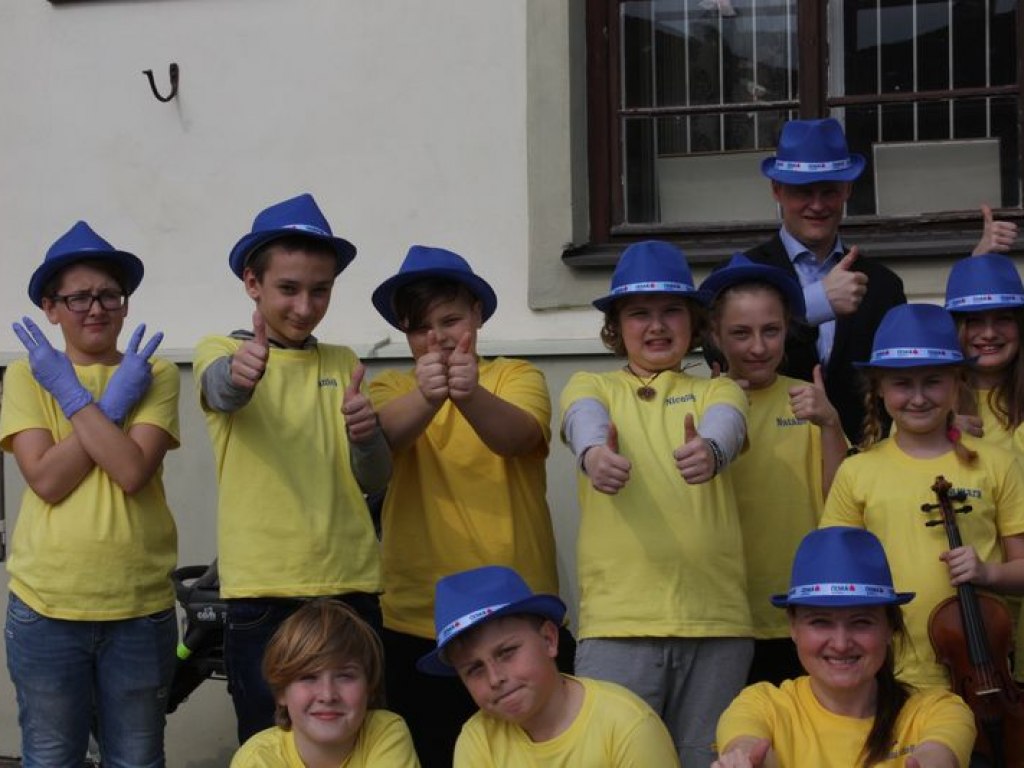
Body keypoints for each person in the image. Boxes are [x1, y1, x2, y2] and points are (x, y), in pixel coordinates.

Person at [195, 193, 390, 743]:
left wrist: (367, 436)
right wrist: (241, 371)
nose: (305, 306)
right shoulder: (219, 349)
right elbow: (220, 390)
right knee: (270, 741)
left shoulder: (344, 362)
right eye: (288, 288)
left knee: (360, 742)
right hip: (263, 593)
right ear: (252, 283)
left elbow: (375, 478)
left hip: (352, 585)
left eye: (320, 290)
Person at [368, 245, 561, 768]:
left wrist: (467, 394)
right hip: (418, 619)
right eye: (419, 329)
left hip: (517, 611)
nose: (437, 339)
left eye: (450, 320)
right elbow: (376, 447)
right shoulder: (390, 386)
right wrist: (429, 397)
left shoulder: (515, 376)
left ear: (477, 313)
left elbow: (518, 438)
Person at [560, 239, 750, 768]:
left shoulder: (719, 390)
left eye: (671, 310)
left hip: (716, 623)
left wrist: (710, 450)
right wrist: (594, 454)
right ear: (616, 327)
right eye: (639, 313)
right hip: (618, 624)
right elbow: (581, 417)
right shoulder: (591, 383)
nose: (657, 326)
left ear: (694, 322)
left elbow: (727, 425)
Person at [1, 220, 179, 767]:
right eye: (78, 298)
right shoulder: (29, 376)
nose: (96, 308)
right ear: (51, 309)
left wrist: (77, 401)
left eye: (109, 295)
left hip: (139, 606)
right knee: (51, 756)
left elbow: (130, 470)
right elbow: (47, 480)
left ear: (124, 305)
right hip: (46, 604)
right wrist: (97, 402)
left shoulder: (156, 372)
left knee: (137, 758)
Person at [820, 303, 1024, 691]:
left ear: (958, 382)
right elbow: (840, 578)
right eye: (902, 384)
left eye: (932, 381)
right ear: (879, 387)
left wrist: (988, 573)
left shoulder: (997, 464)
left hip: (984, 672)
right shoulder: (857, 470)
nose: (917, 398)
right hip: (889, 672)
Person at [701, 253, 848, 685]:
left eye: (771, 330)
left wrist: (831, 424)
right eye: (740, 333)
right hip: (724, 611)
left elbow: (841, 499)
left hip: (799, 604)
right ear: (715, 334)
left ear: (789, 329)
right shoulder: (699, 402)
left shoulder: (808, 400)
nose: (758, 347)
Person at [714, 526, 975, 768]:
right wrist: (747, 761)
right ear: (793, 627)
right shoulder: (761, 704)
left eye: (861, 622)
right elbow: (746, 744)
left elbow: (938, 755)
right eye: (820, 622)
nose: (840, 644)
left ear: (890, 628)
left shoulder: (938, 710)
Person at [737, 117, 907, 443]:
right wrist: (813, 304)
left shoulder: (884, 285)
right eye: (803, 192)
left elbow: (902, 378)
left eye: (829, 191)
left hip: (864, 457)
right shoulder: (743, 272)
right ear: (777, 190)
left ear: (847, 190)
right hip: (770, 457)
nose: (817, 205)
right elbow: (717, 352)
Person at [417, 565, 680, 767]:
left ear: (549, 639)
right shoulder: (478, 738)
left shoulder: (627, 725)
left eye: (506, 653)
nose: (495, 678)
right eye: (474, 669)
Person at [944, 252, 1024, 685]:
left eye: (1003, 319)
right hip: (965, 621)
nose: (989, 333)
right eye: (974, 321)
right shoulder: (927, 405)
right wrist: (938, 432)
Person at [231, 599, 419, 768]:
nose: (327, 695)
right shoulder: (256, 760)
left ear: (369, 686)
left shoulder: (384, 732)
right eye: (308, 677)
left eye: (345, 676)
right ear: (281, 691)